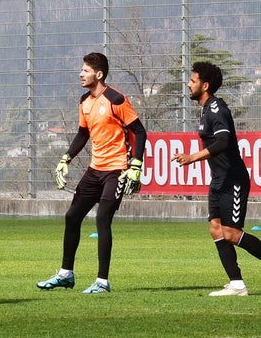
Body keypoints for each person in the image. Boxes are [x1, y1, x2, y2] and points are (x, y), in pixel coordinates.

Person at [38, 52, 147, 294]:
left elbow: (140, 132)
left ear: (99, 74)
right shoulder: (84, 101)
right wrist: (66, 158)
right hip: (94, 170)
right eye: (82, 70)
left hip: (117, 170)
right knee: (72, 217)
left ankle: (102, 282)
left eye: (85, 70)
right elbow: (83, 134)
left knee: (102, 220)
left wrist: (136, 166)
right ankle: (66, 274)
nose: (81, 73)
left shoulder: (116, 99)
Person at [172, 61, 261, 296]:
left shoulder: (216, 109)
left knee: (231, 233)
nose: (188, 84)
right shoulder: (205, 108)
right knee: (216, 229)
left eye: (192, 80)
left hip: (233, 180)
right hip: (219, 180)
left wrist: (192, 157)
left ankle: (237, 284)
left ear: (205, 85)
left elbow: (223, 141)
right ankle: (237, 285)